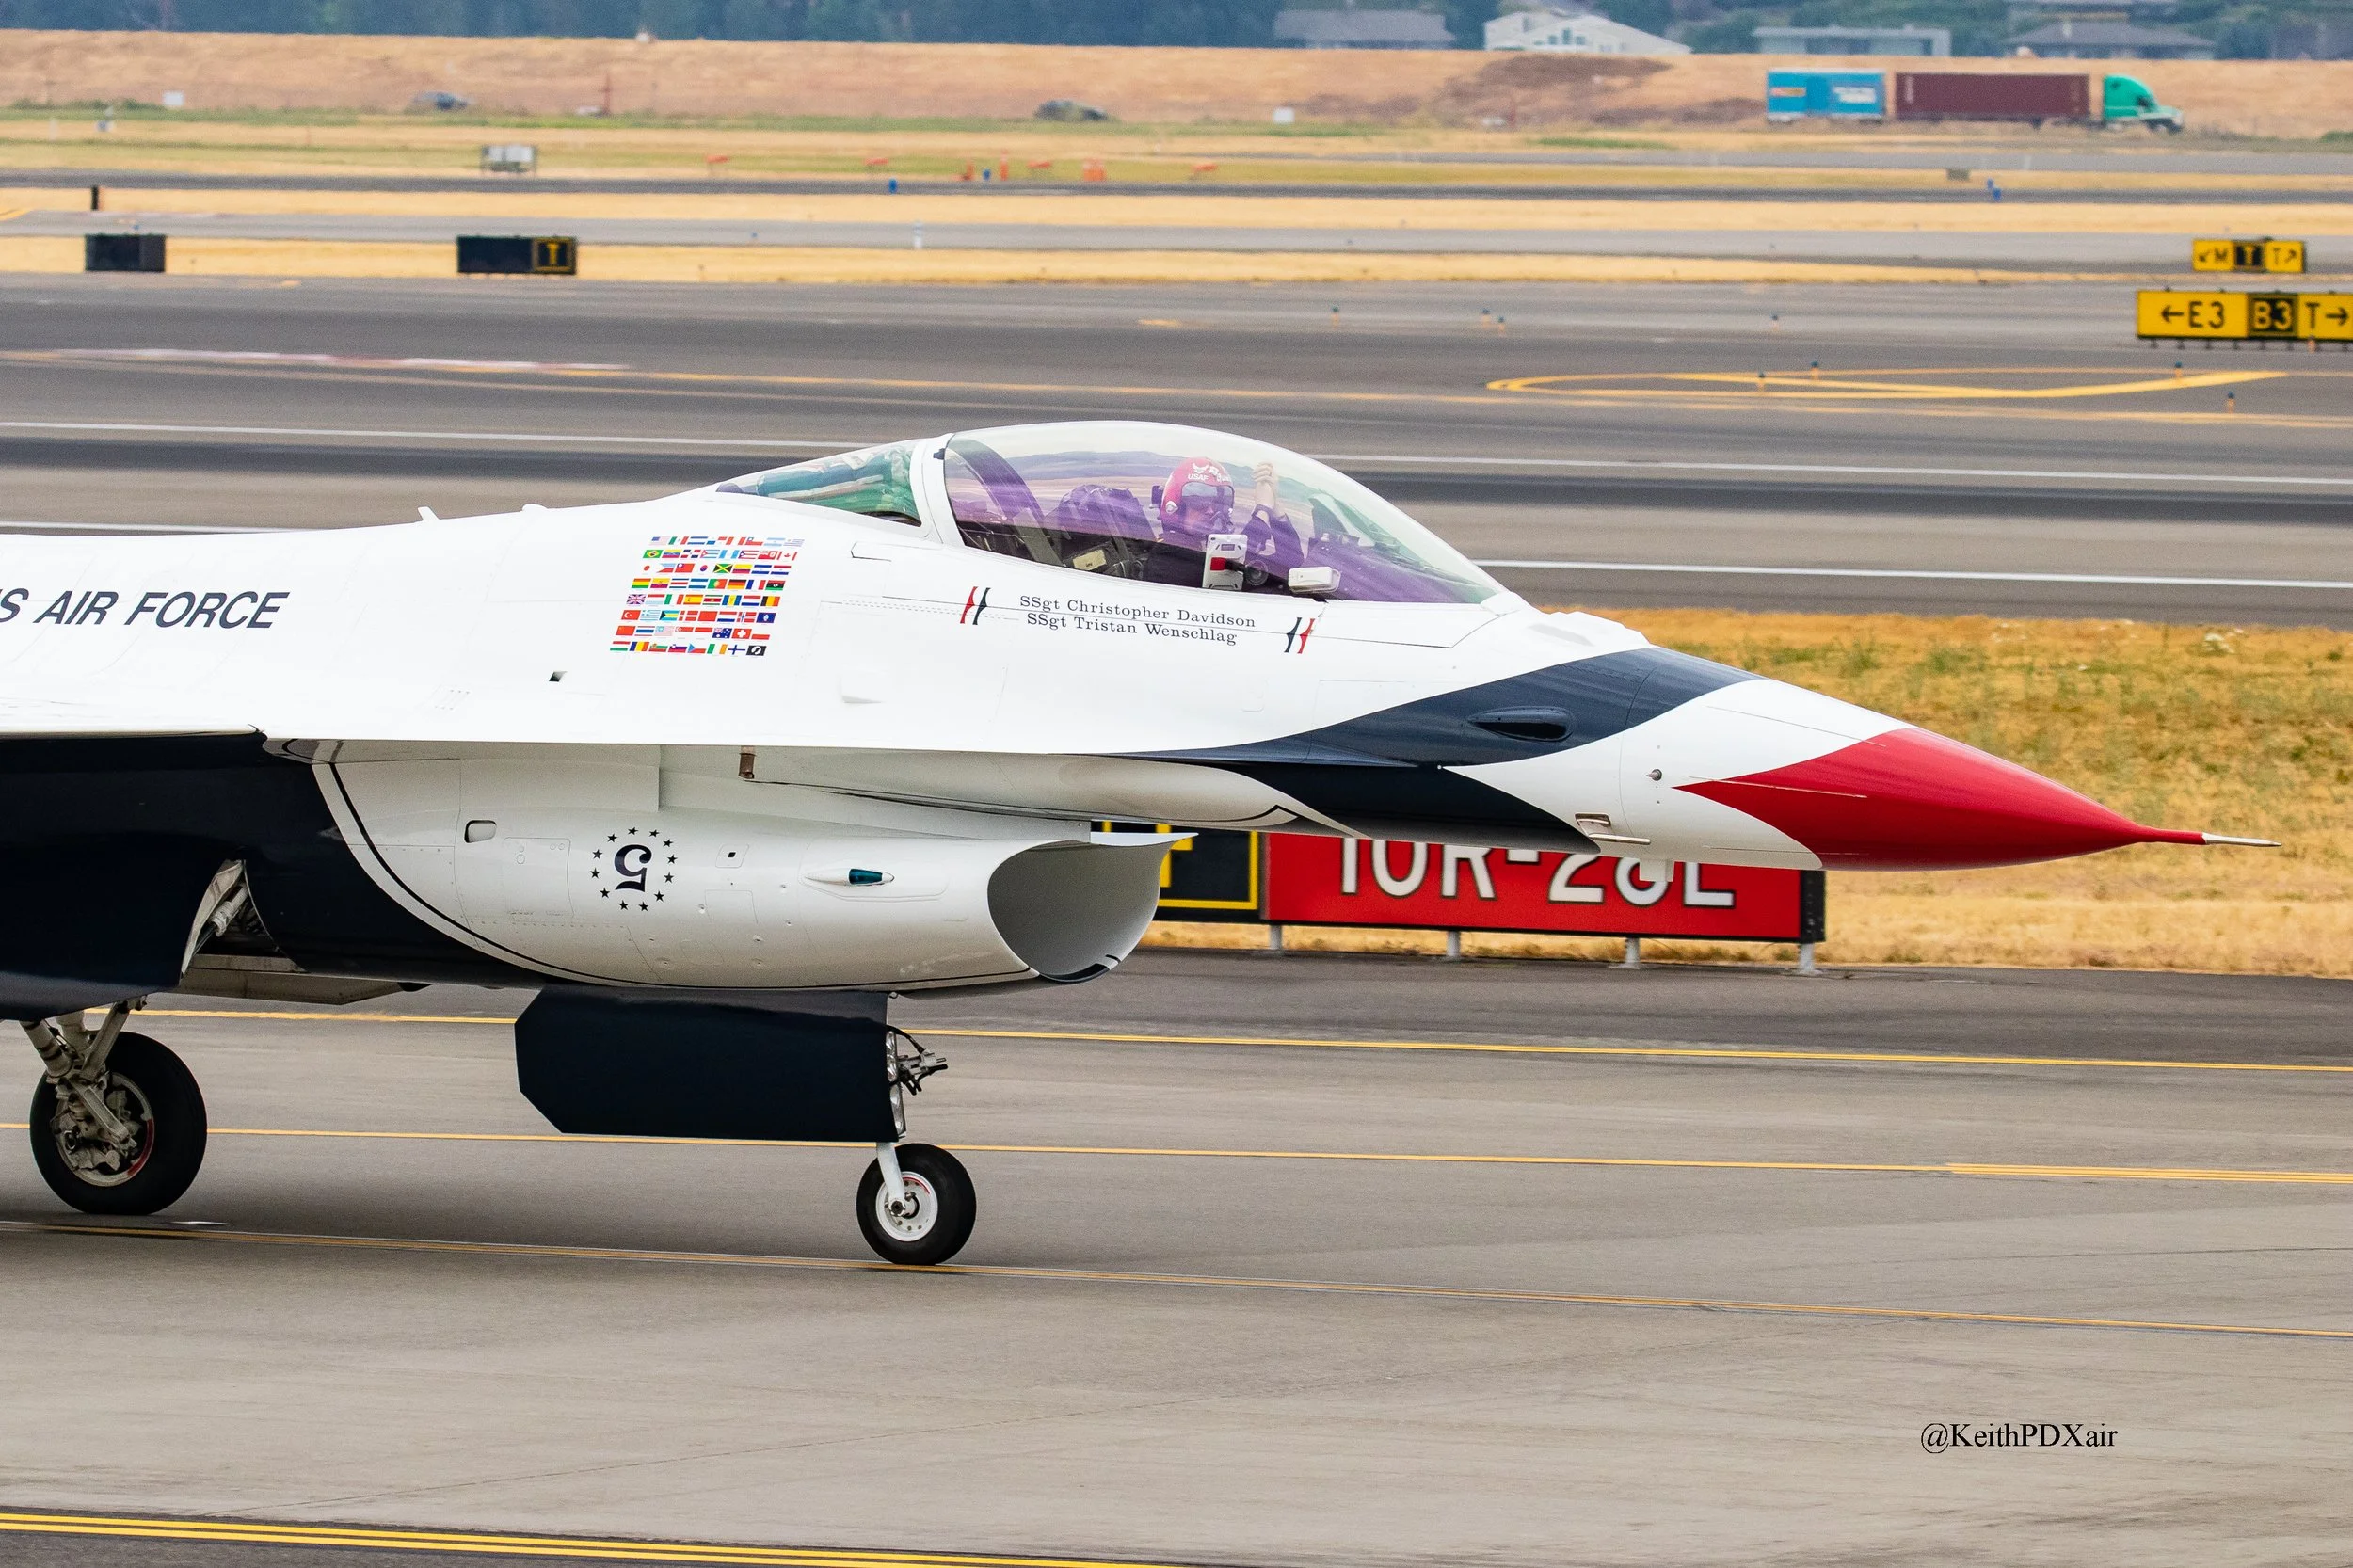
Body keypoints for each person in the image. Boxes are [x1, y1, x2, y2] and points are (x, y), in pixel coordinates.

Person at [1141, 456, 1301, 590]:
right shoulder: (1167, 555)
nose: (1211, 511)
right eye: (1199, 502)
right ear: (1176, 506)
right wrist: (1262, 510)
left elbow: (1290, 562)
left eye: (1218, 503)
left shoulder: (1208, 551)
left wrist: (1275, 509)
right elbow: (1231, 566)